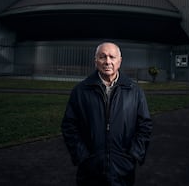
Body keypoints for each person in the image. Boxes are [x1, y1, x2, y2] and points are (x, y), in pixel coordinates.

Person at [61, 42, 153, 186]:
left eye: (112, 57)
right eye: (102, 57)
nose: (107, 61)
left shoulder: (134, 91)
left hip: (123, 169)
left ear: (120, 61)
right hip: (90, 169)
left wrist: (134, 154)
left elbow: (145, 125)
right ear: (95, 61)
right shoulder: (81, 91)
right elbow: (69, 125)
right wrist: (81, 155)